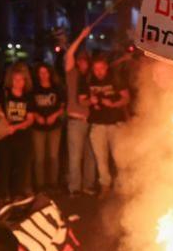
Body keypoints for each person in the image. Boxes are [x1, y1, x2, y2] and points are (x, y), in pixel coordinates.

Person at [80, 54, 129, 198]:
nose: (99, 71)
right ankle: (105, 185)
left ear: (106, 67)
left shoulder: (115, 78)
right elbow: (82, 101)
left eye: (101, 68)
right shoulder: (88, 80)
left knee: (119, 157)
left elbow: (126, 98)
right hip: (97, 124)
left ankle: (122, 186)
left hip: (115, 123)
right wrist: (90, 100)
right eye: (96, 69)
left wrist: (113, 104)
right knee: (101, 158)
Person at [0, 63, 35, 204]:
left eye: (21, 80)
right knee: (4, 165)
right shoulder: (4, 95)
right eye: (15, 79)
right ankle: (2, 195)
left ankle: (17, 193)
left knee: (20, 165)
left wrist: (15, 128)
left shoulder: (28, 98)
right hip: (5, 137)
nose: (18, 82)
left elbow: (30, 119)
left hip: (21, 137)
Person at [64, 26, 97, 196]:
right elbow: (68, 54)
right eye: (81, 60)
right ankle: (74, 188)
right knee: (75, 157)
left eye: (86, 60)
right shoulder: (72, 73)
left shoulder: (90, 78)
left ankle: (87, 185)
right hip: (76, 121)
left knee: (90, 156)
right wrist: (81, 36)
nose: (82, 62)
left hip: (90, 121)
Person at [31, 62, 65, 193]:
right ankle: (40, 185)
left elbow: (62, 106)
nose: (43, 75)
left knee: (53, 156)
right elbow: (30, 106)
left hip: (54, 126)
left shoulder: (57, 88)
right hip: (38, 127)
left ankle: (53, 183)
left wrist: (55, 115)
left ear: (50, 73)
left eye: (46, 72)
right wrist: (36, 115)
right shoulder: (34, 89)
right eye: (41, 73)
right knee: (39, 157)